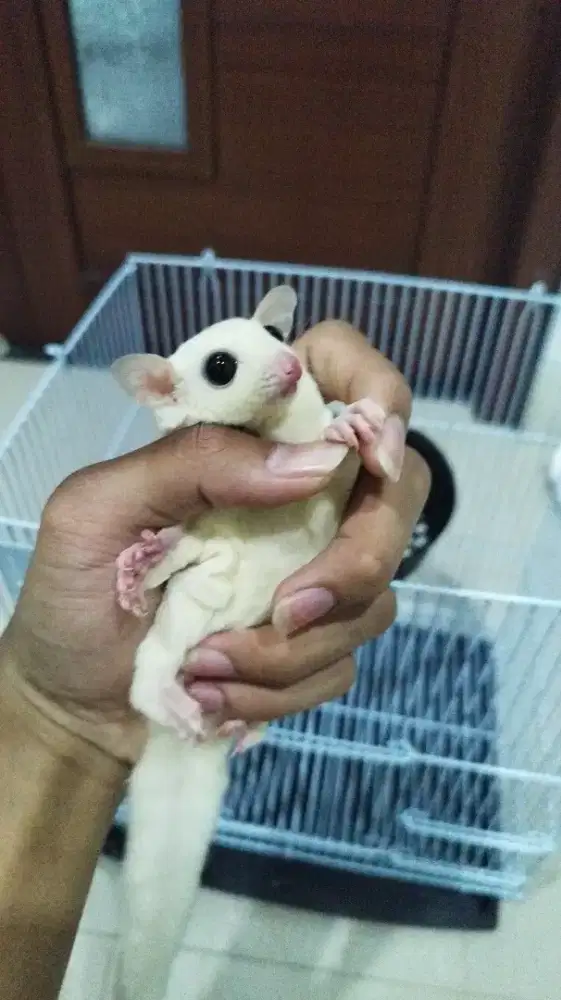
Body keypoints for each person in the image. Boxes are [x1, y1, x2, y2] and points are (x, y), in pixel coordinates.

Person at [0, 320, 429, 1000]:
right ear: (164, 392)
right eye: (228, 367)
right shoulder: (192, 438)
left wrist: (348, 427)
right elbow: (200, 539)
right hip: (186, 633)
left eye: (274, 334)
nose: (285, 363)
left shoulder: (291, 409)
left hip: (228, 625)